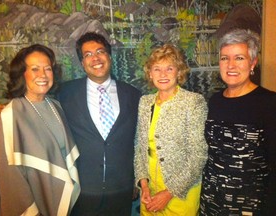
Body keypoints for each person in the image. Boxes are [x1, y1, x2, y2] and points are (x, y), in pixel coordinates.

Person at [57, 32, 142, 215]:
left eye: (100, 51)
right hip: (82, 190)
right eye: (88, 54)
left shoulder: (133, 95)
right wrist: (16, 111)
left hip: (121, 189)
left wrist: (136, 180)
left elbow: (139, 141)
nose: (95, 58)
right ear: (82, 63)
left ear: (109, 56)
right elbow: (39, 106)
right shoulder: (65, 93)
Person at [0, 44, 80, 216]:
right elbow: (12, 177)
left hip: (62, 200)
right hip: (35, 205)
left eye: (47, 69)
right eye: (35, 69)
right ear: (22, 74)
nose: (42, 75)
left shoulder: (55, 106)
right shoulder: (12, 113)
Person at [200, 28, 276, 216]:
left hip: (250, 207)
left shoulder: (269, 103)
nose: (230, 65)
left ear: (253, 63)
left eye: (239, 58)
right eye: (225, 58)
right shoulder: (215, 101)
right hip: (211, 203)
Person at [134, 44, 208, 215]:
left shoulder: (193, 103)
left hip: (181, 193)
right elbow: (139, 147)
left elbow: (199, 155)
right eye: (157, 69)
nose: (163, 74)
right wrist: (143, 185)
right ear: (150, 74)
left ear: (179, 72)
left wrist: (169, 193)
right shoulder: (145, 102)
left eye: (169, 68)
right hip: (150, 192)